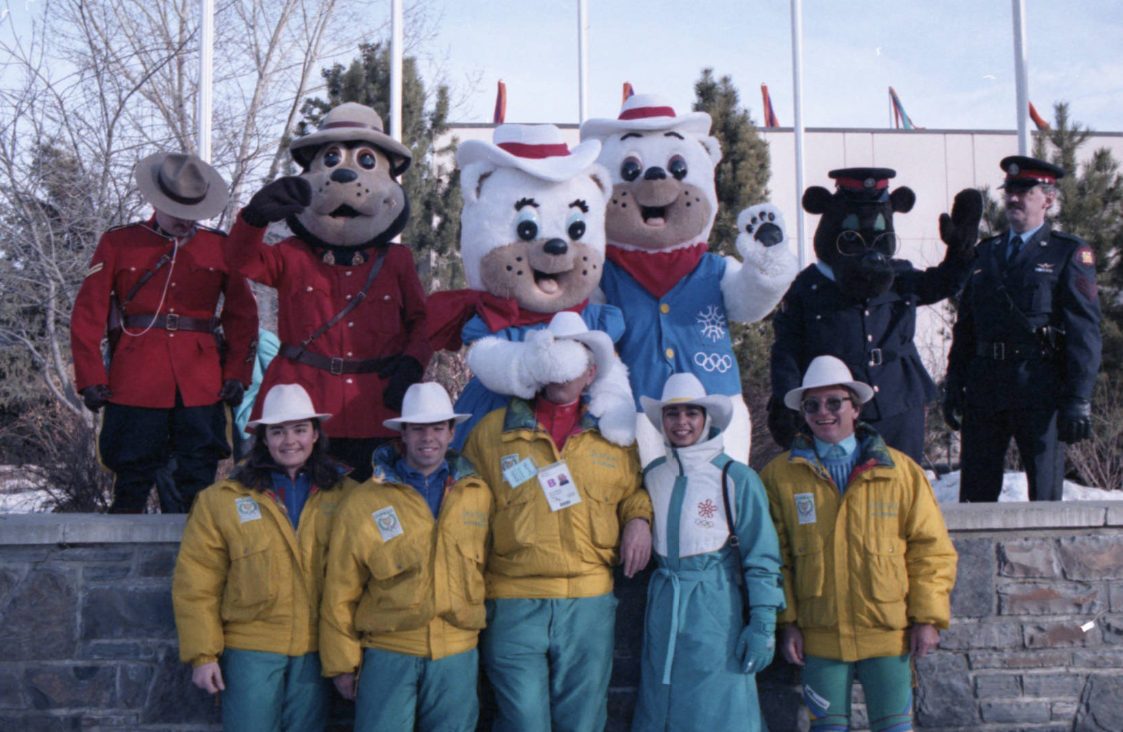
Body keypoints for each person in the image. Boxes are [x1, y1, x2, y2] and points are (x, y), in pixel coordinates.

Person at [461, 311, 653, 732]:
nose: (565, 370)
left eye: (577, 359)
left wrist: (639, 519)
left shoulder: (615, 436)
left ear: (591, 372)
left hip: (588, 601)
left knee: (582, 722)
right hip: (512, 599)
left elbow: (636, 490)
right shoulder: (491, 433)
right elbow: (464, 513)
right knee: (522, 722)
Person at [761, 356, 957, 732]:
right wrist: (786, 624)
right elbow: (774, 560)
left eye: (834, 402)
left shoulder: (900, 471)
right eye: (812, 405)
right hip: (819, 638)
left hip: (888, 633)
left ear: (855, 407)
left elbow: (929, 550)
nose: (824, 412)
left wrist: (927, 618)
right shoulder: (778, 477)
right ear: (802, 412)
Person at [70, 152, 258, 512]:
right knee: (131, 474)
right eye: (178, 212)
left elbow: (242, 316)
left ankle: (201, 558)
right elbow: (87, 312)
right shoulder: (120, 242)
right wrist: (90, 375)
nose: (187, 222)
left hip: (200, 379)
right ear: (157, 203)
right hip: (136, 375)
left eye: (194, 213)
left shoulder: (219, 247)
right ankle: (120, 564)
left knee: (199, 474)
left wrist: (238, 372)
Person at [172, 383, 356, 732]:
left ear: (315, 434)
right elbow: (197, 582)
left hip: (316, 652)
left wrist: (348, 654)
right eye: (278, 431)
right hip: (250, 652)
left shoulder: (348, 495)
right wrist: (202, 655)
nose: (290, 441)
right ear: (263, 437)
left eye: (300, 429)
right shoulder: (222, 500)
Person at [319, 382, 489, 732]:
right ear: (403, 435)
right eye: (419, 428)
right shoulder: (366, 501)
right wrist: (341, 662)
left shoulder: (478, 494)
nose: (429, 437)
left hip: (456, 654)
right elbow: (340, 587)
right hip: (388, 652)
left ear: (452, 433)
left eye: (438, 427)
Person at [631, 373, 784, 732]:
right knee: (660, 704)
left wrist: (763, 624)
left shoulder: (736, 477)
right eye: (672, 414)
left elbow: (762, 556)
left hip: (716, 612)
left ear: (706, 419)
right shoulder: (654, 475)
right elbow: (633, 505)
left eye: (691, 413)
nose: (681, 423)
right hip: (664, 607)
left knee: (718, 709)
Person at [945, 155, 1102, 502]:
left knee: (1045, 495)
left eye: (1024, 191)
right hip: (985, 387)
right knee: (975, 497)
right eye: (1009, 191)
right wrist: (954, 382)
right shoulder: (985, 254)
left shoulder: (1068, 253)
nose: (1013, 198)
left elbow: (1084, 333)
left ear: (1048, 198)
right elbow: (966, 327)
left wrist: (1079, 398)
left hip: (1039, 389)